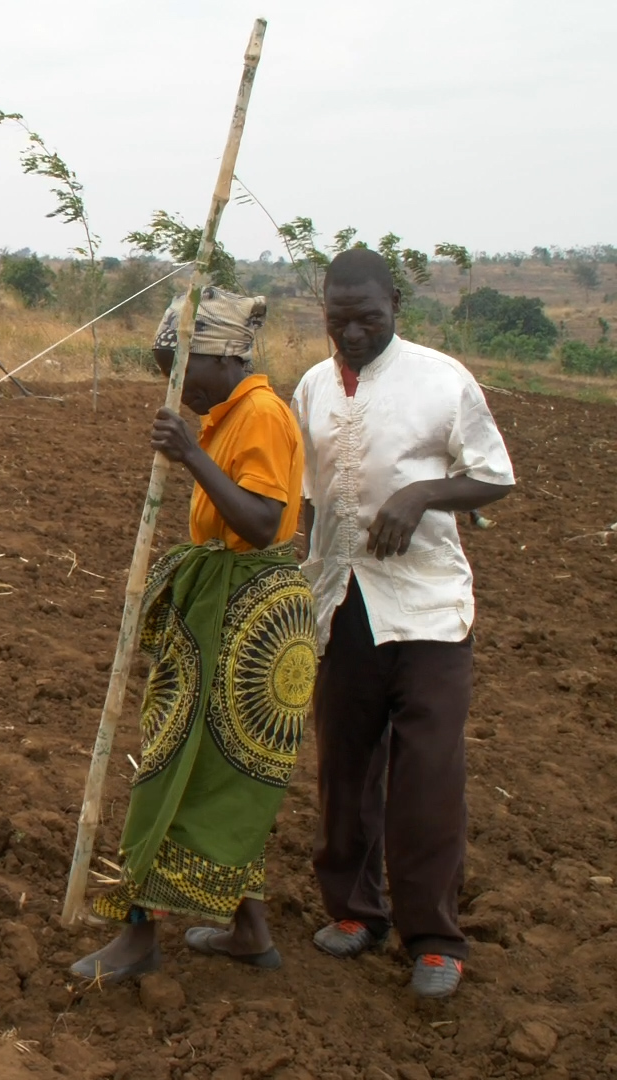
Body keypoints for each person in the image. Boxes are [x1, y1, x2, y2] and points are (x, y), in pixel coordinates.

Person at [68, 287, 314, 984]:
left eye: (181, 369)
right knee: (223, 773)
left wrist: (189, 457)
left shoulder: (260, 415)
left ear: (222, 354)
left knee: (176, 765)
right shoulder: (231, 412)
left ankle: (139, 936)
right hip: (231, 603)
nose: (178, 388)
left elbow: (262, 522)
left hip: (247, 611)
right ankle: (249, 929)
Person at [295, 249, 514, 1000]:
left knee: (426, 775)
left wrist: (421, 495)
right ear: (323, 307)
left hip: (426, 608)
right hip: (342, 602)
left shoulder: (441, 379)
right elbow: (310, 496)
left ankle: (434, 938)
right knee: (345, 768)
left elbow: (495, 474)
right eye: (338, 318)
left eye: (368, 318)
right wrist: (299, 582)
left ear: (396, 303)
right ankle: (356, 912)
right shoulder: (314, 387)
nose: (352, 333)